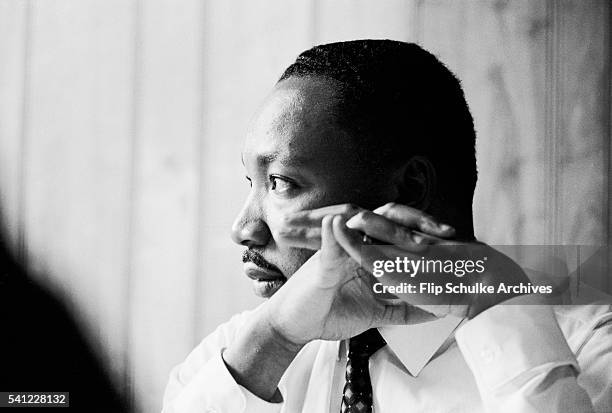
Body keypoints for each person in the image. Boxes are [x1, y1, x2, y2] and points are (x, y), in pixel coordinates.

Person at [161, 40, 612, 413]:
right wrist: (273, 339)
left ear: (410, 188)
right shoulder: (231, 359)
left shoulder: (586, 352)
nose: (243, 229)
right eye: (250, 182)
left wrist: (494, 301)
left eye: (279, 182)